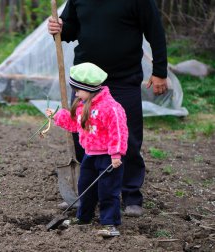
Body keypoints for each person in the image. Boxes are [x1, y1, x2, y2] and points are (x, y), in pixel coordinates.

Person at [48, 0, 168, 217]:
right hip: (86, 81)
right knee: (82, 135)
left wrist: (159, 70)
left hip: (124, 77)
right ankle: (85, 194)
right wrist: (60, 28)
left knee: (126, 137)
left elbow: (155, 31)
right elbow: (72, 29)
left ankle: (131, 194)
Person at [46, 62, 128, 237]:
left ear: (89, 88)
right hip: (89, 156)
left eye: (77, 90)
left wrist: (116, 153)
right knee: (85, 188)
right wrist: (57, 116)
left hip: (108, 158)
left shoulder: (111, 108)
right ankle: (84, 218)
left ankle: (110, 224)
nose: (75, 93)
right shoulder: (84, 105)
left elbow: (119, 132)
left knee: (108, 191)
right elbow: (75, 125)